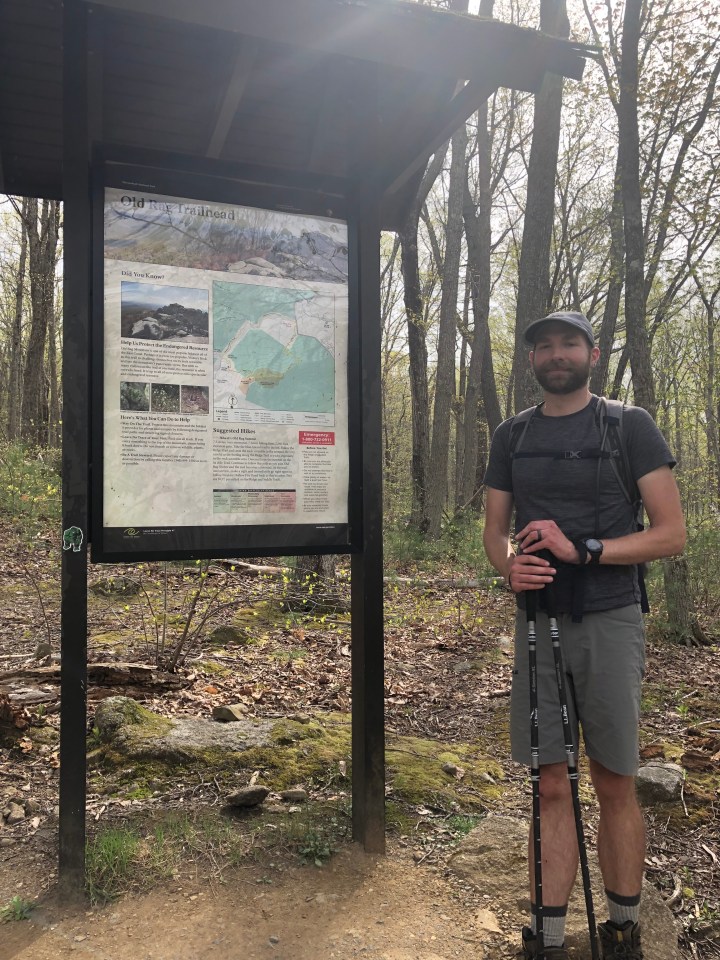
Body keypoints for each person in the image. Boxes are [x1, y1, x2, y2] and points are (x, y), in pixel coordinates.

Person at [482, 311, 686, 959]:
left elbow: (671, 533)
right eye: (544, 345)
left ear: (592, 354)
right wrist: (507, 566)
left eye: (568, 342)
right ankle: (545, 936)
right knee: (547, 781)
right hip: (537, 622)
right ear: (533, 359)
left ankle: (622, 930)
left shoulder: (629, 426)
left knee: (614, 778)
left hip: (611, 618)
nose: (556, 353)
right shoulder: (512, 435)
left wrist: (586, 549)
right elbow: (494, 530)